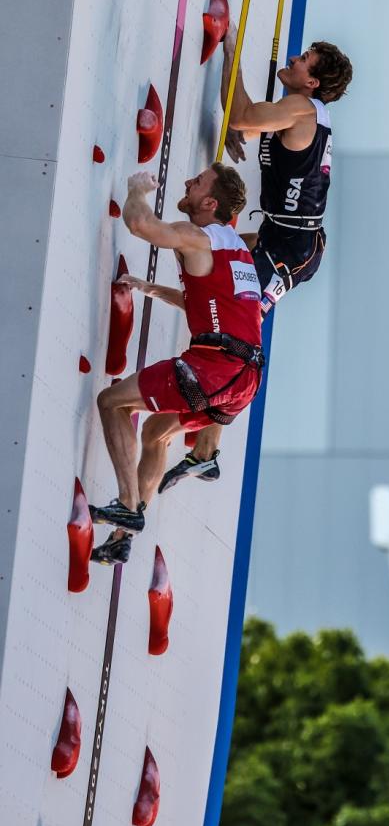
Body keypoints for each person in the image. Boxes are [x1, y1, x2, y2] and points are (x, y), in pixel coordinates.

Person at [158, 23, 352, 493]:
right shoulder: (305, 112)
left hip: (291, 250)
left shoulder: (302, 109)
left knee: (237, 329)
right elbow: (264, 138)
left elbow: (243, 114)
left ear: (311, 82)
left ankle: (207, 452)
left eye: (304, 59)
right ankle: (206, 451)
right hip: (281, 237)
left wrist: (231, 52)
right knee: (219, 262)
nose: (294, 58)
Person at [89, 166, 263, 565]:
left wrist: (136, 190)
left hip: (214, 368)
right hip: (242, 382)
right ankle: (120, 539)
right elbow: (215, 307)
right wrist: (154, 290)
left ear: (209, 203)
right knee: (156, 433)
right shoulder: (237, 252)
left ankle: (128, 508)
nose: (188, 183)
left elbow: (140, 224)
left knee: (111, 401)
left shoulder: (197, 237)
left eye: (197, 182)